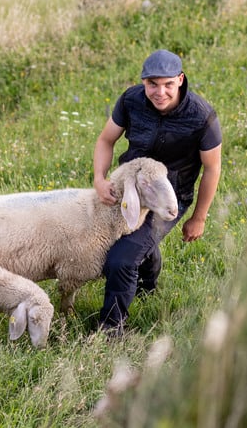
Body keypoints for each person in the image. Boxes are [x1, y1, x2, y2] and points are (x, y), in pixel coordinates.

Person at [93, 49, 222, 334]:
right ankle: (146, 285)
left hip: (168, 196)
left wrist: (198, 218)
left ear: (180, 80)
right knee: (110, 241)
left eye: (167, 84)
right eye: (152, 84)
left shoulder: (201, 116)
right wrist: (99, 179)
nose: (159, 92)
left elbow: (212, 169)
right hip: (129, 186)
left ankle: (112, 329)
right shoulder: (131, 100)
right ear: (143, 82)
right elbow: (105, 140)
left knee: (121, 259)